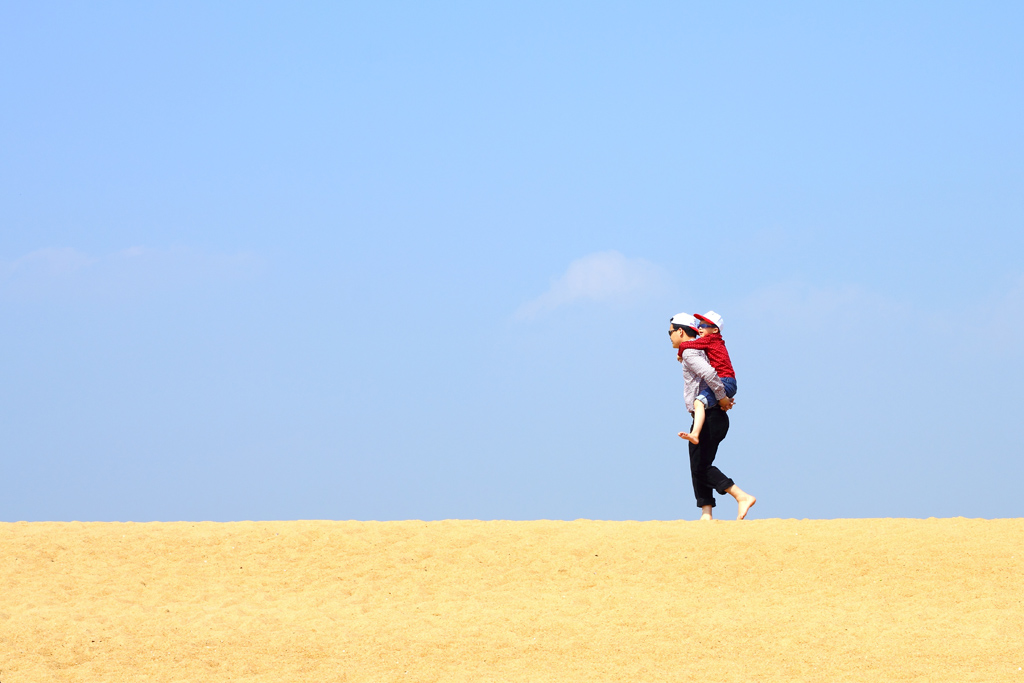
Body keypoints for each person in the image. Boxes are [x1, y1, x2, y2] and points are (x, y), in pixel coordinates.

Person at [669, 313, 756, 520]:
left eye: (670, 332)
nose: (670, 336)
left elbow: (710, 375)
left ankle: (740, 495)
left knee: (700, 465)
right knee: (697, 463)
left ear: (680, 331)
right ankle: (706, 513)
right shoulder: (698, 349)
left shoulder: (691, 353)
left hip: (710, 416)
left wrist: (723, 398)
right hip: (708, 416)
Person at [675, 310, 737, 446]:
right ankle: (695, 434)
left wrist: (680, 353)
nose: (699, 329)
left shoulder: (710, 340)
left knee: (698, 403)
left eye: (703, 326)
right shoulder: (715, 342)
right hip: (728, 381)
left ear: (715, 330)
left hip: (724, 380)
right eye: (699, 325)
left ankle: (695, 434)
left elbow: (687, 345)